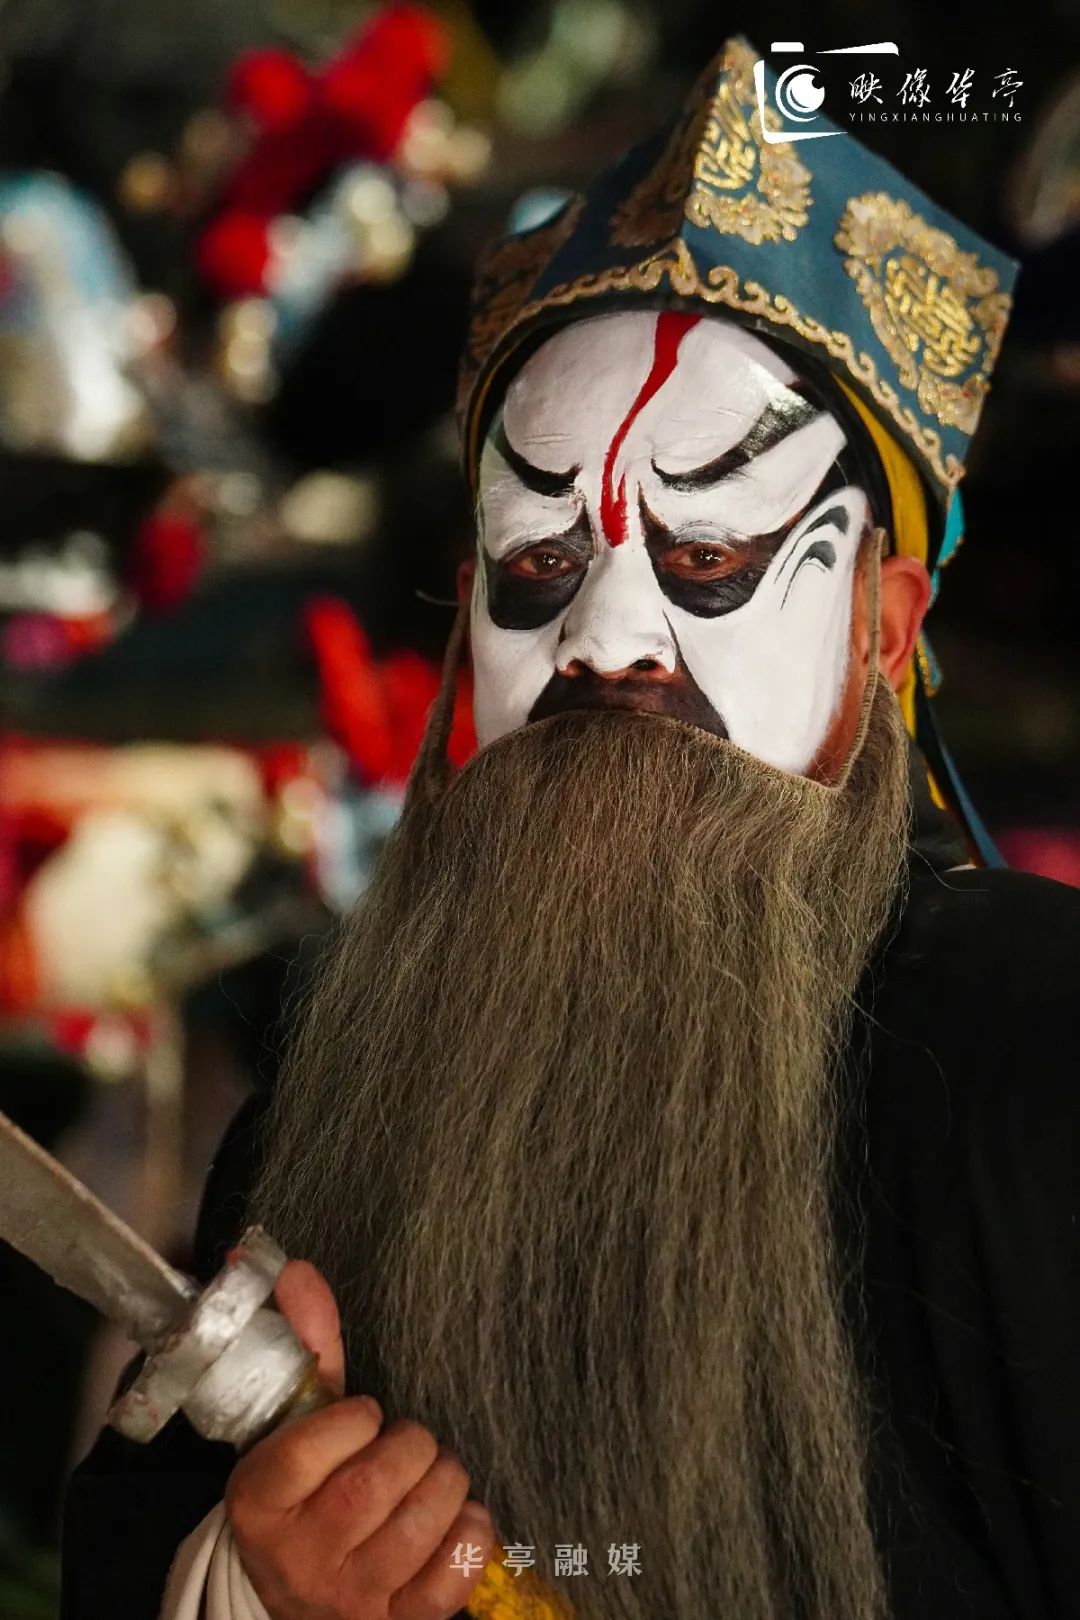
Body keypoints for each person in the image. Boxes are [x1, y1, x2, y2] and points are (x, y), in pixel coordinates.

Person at [63, 36, 1080, 1620]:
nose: (606, 639)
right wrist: (255, 1580)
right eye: (539, 566)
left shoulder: (1037, 1053)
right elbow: (139, 1548)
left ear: (881, 629)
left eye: (709, 553)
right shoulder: (340, 1107)